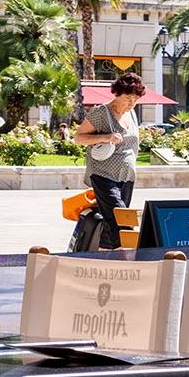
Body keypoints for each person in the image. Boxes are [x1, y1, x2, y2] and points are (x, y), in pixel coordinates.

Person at [73, 73, 144, 250]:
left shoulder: (132, 114)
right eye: (128, 98)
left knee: (110, 219)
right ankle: (124, 256)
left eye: (135, 100)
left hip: (126, 176)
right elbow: (78, 138)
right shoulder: (101, 112)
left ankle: (104, 257)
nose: (131, 103)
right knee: (120, 218)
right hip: (102, 174)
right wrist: (106, 137)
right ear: (117, 94)